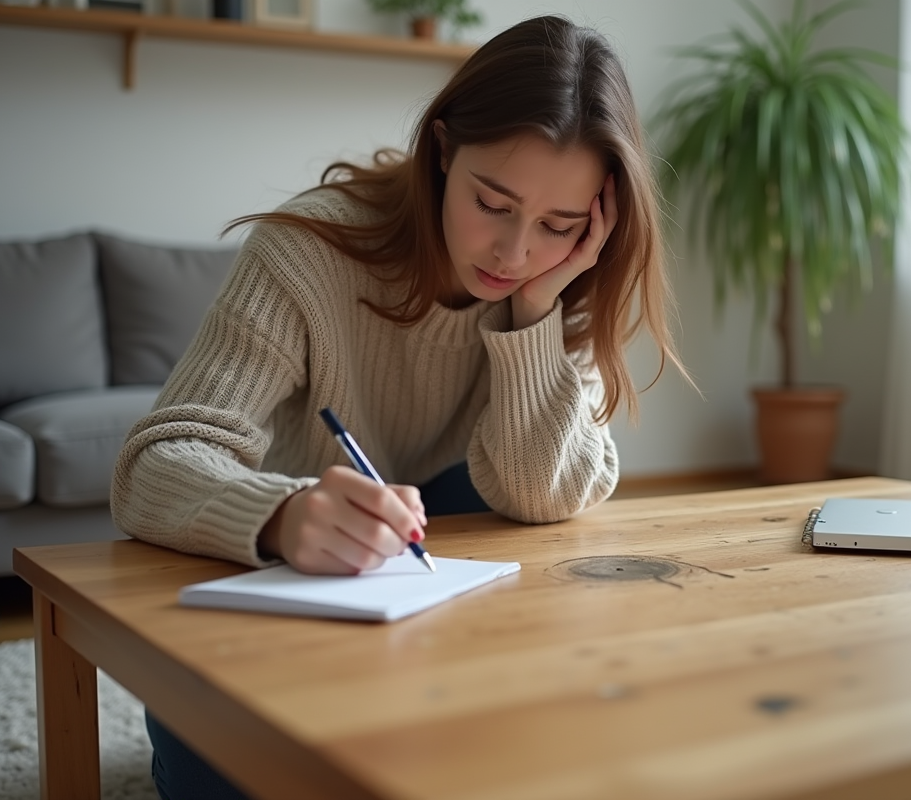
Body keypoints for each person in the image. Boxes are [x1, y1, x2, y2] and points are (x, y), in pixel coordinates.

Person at [111, 13, 688, 800]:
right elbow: (152, 466)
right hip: (268, 568)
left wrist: (536, 314)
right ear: (443, 149)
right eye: (493, 202)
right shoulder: (310, 251)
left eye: (558, 225)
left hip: (417, 552)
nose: (514, 253)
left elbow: (543, 495)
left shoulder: (562, 283)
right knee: (233, 773)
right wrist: (282, 514)